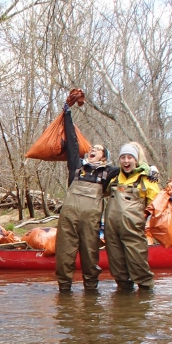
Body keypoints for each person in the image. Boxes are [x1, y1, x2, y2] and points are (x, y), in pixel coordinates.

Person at [54, 102, 119, 292]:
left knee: (90, 258)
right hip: (68, 220)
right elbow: (73, 142)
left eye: (98, 149)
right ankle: (64, 292)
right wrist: (67, 113)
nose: (92, 149)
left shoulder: (109, 172)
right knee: (64, 256)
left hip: (91, 223)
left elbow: (128, 167)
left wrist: (149, 169)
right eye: (92, 147)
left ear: (104, 157)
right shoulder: (76, 167)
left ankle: (91, 293)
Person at [104, 142, 161, 290]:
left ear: (136, 160)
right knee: (118, 270)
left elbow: (157, 206)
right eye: (123, 157)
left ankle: (145, 302)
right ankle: (124, 305)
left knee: (139, 267)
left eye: (130, 157)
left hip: (134, 231)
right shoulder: (113, 178)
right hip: (112, 232)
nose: (126, 161)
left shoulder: (147, 179)